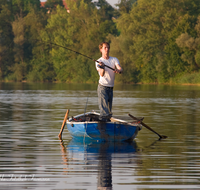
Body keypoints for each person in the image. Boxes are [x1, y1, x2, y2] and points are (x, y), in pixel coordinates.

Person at [96, 42, 123, 121]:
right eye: (105, 48)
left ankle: (107, 125)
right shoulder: (99, 61)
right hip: (102, 88)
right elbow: (102, 74)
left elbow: (120, 68)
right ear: (101, 50)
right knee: (104, 112)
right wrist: (102, 67)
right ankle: (103, 127)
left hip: (110, 88)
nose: (107, 49)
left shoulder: (114, 59)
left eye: (108, 48)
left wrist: (118, 70)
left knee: (109, 111)